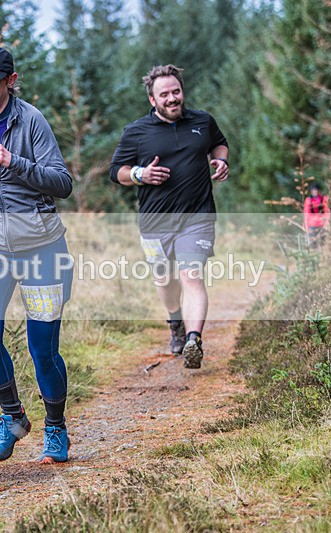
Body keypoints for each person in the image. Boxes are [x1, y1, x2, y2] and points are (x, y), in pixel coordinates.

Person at [0, 46, 74, 463]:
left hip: (40, 246)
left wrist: (14, 161)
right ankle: (13, 417)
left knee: (43, 348)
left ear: (10, 80)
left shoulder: (32, 120)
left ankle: (56, 428)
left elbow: (62, 182)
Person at [109, 64, 229, 369]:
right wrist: (141, 174)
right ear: (152, 99)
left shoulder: (202, 121)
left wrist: (219, 160)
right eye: (165, 94)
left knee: (191, 276)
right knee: (165, 279)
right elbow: (117, 172)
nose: (173, 98)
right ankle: (175, 322)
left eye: (176, 91)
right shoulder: (136, 132)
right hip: (154, 221)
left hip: (197, 217)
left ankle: (193, 339)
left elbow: (219, 142)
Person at [303, 182, 330, 247]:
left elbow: (327, 211)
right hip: (312, 225)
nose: (315, 191)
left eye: (316, 190)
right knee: (313, 244)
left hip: (322, 224)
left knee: (323, 243)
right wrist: (306, 225)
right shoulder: (309, 200)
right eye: (313, 190)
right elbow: (306, 214)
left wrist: (327, 222)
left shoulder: (324, 199)